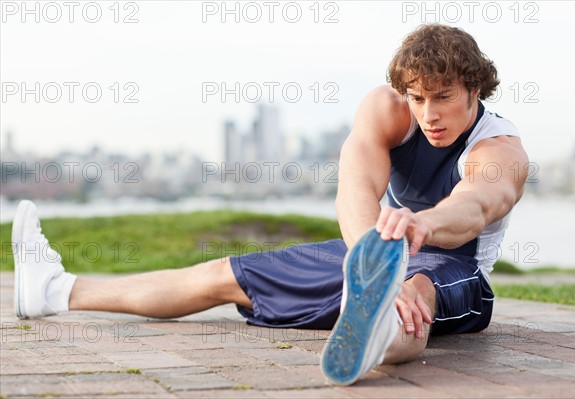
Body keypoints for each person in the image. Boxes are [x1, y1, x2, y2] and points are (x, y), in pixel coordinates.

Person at [12, 24, 528, 385]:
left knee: (415, 292)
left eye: (443, 96)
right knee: (220, 274)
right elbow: (354, 189)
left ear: (474, 87)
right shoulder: (386, 110)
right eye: (419, 97)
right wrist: (367, 261)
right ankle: (54, 289)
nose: (429, 112)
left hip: (451, 266)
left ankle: (375, 335)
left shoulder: (499, 148)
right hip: (372, 251)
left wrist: (421, 225)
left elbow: (476, 207)